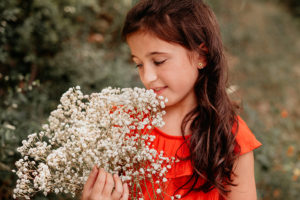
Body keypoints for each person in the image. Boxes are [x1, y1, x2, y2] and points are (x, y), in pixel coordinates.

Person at [81, 0, 262, 199]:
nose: (147, 77)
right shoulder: (121, 122)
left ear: (202, 55)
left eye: (159, 61)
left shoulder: (230, 136)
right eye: (138, 64)